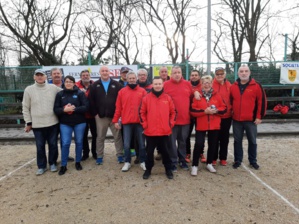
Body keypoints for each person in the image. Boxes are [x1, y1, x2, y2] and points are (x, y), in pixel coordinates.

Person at [22, 69, 61, 175]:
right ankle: (41, 166)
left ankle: (52, 163)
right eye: (37, 75)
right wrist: (28, 122)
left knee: (53, 144)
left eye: (41, 75)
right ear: (34, 77)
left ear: (45, 77)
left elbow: (65, 92)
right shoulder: (29, 90)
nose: (39, 77)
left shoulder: (53, 88)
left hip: (52, 122)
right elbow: (25, 107)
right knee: (40, 146)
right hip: (37, 124)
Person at [230, 65, 267, 170]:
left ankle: (253, 161)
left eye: (246, 71)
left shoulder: (256, 86)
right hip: (237, 120)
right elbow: (230, 102)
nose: (244, 73)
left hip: (251, 120)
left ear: (249, 73)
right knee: (237, 141)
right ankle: (238, 160)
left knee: (252, 141)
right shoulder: (233, 86)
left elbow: (262, 102)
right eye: (241, 71)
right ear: (238, 73)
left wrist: (259, 117)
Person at [139, 77, 176, 179]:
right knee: (149, 152)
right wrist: (145, 125)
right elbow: (141, 113)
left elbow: (173, 112)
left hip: (164, 131)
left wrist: (170, 124)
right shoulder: (146, 98)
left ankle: (168, 169)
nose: (158, 86)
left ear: (162, 84)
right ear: (152, 85)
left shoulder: (168, 98)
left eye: (159, 83)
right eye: (156, 84)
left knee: (165, 152)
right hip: (150, 132)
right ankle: (148, 169)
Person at [190, 75, 227, 175]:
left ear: (212, 83)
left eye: (209, 82)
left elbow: (224, 109)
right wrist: (205, 111)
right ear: (201, 84)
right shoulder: (197, 96)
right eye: (204, 82)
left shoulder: (217, 95)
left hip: (214, 125)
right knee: (199, 144)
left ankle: (209, 163)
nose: (207, 84)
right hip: (201, 124)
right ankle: (194, 165)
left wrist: (216, 111)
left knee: (213, 145)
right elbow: (193, 111)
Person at [113, 71, 147, 172]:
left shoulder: (142, 91)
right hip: (127, 122)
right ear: (127, 79)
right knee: (126, 144)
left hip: (139, 122)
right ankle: (127, 162)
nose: (132, 80)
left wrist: (146, 121)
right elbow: (118, 108)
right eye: (130, 78)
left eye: (133, 78)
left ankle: (142, 161)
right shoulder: (122, 92)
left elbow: (146, 108)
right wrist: (115, 120)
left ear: (136, 79)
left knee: (141, 143)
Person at [89, 66, 124, 165]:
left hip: (115, 116)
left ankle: (120, 155)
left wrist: (119, 115)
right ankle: (99, 156)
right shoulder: (94, 85)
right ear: (100, 72)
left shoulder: (117, 85)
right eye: (103, 71)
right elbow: (91, 101)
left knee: (117, 137)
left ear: (110, 72)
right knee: (100, 137)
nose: (105, 72)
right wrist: (95, 114)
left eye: (106, 71)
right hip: (100, 116)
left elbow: (121, 100)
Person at [54, 76, 88, 175]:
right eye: (66, 81)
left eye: (70, 82)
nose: (68, 83)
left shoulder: (80, 93)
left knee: (79, 142)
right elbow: (56, 109)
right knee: (65, 143)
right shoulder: (60, 94)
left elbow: (86, 107)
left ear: (74, 83)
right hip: (65, 123)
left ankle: (78, 162)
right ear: (64, 83)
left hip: (79, 122)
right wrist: (64, 110)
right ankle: (64, 165)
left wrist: (74, 109)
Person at [164, 66, 192, 172]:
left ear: (181, 73)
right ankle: (173, 161)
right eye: (175, 72)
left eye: (179, 72)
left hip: (185, 119)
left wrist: (197, 92)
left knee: (182, 141)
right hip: (171, 120)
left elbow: (193, 96)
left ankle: (182, 160)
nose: (177, 74)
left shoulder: (187, 84)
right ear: (171, 74)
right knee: (171, 142)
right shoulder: (166, 85)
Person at [50, 67, 74, 162]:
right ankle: (54, 159)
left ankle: (65, 156)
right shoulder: (47, 87)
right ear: (51, 75)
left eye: (58, 73)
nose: (56, 75)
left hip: (66, 118)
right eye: (54, 73)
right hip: (53, 117)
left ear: (61, 75)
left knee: (65, 140)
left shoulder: (67, 85)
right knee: (53, 140)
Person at [185, 70, 206, 163]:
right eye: (192, 75)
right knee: (187, 136)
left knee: (200, 136)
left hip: (199, 115)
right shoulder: (186, 85)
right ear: (190, 76)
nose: (194, 76)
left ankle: (201, 152)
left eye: (196, 75)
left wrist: (197, 92)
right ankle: (187, 153)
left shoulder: (203, 86)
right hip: (188, 114)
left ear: (199, 77)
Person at [212, 67, 232, 166]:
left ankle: (223, 158)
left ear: (225, 74)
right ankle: (213, 157)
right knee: (214, 138)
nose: (220, 75)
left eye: (221, 73)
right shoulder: (211, 84)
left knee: (225, 138)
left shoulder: (229, 85)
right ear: (215, 75)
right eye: (218, 74)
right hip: (215, 116)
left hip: (227, 116)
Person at [76, 69, 97, 160]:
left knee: (95, 135)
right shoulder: (76, 86)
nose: (85, 76)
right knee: (83, 136)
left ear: (90, 76)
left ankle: (95, 152)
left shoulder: (95, 85)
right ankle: (85, 153)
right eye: (83, 75)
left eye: (87, 75)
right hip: (82, 115)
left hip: (93, 115)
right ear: (80, 77)